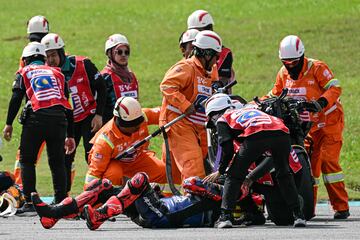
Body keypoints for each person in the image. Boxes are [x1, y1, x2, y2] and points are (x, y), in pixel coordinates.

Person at [267, 35, 349, 219]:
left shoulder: (317, 68)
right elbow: (275, 94)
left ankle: (341, 207)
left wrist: (320, 102)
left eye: (294, 62)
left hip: (329, 122)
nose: (290, 66)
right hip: (307, 127)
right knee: (308, 168)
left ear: (302, 57)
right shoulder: (283, 73)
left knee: (328, 161)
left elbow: (335, 88)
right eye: (286, 62)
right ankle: (307, 210)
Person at [202, 93, 306, 228]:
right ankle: (299, 216)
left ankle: (225, 217)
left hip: (257, 135)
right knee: (284, 175)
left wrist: (220, 171)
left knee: (234, 175)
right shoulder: (251, 109)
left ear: (214, 114)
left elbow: (227, 151)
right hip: (282, 132)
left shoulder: (223, 119)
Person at [2, 42, 75, 214]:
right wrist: (70, 135)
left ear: (25, 60)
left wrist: (9, 123)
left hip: (36, 119)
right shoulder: (57, 73)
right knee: (57, 161)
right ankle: (62, 200)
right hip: (59, 119)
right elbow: (67, 105)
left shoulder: (24, 71)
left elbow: (16, 97)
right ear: (44, 58)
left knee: (27, 160)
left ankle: (29, 200)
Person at [31, 172, 227, 230]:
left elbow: (190, 183)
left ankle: (100, 216)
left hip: (162, 217)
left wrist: (213, 180)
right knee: (105, 186)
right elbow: (186, 193)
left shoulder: (223, 197)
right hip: (158, 209)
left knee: (140, 178)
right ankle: (52, 214)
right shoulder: (215, 196)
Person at [41, 33, 107, 193]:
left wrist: (99, 115)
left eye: (54, 55)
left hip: (88, 115)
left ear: (62, 53)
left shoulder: (83, 64)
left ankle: (98, 194)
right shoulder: (46, 73)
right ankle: (64, 197)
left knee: (90, 153)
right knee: (65, 157)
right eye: (47, 56)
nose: (51, 60)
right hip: (68, 120)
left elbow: (102, 87)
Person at [159, 30, 222, 192]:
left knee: (188, 165)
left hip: (199, 126)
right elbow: (167, 86)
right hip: (180, 123)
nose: (217, 60)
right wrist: (186, 105)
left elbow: (213, 86)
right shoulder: (186, 67)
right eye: (216, 56)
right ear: (206, 54)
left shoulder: (210, 70)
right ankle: (194, 206)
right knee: (193, 166)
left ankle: (178, 202)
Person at [85, 96, 167, 187]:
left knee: (163, 171)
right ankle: (113, 198)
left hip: (136, 158)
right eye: (131, 125)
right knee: (113, 174)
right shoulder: (105, 140)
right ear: (119, 122)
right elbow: (94, 174)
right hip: (112, 164)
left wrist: (183, 108)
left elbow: (164, 113)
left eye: (138, 123)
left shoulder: (142, 116)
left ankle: (163, 198)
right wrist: (88, 197)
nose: (136, 127)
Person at [13, 15, 50, 186]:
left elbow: (20, 86)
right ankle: (63, 194)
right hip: (58, 112)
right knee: (61, 158)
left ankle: (20, 190)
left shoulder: (27, 55)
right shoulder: (56, 51)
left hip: (34, 113)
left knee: (25, 155)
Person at [187, 10, 235, 90]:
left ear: (210, 28)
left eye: (198, 31)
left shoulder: (224, 53)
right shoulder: (192, 49)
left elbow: (222, 81)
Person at [101, 34, 140, 123]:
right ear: (110, 53)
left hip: (131, 126)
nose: (123, 55)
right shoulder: (105, 77)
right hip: (111, 127)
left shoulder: (131, 77)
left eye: (126, 52)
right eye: (119, 52)